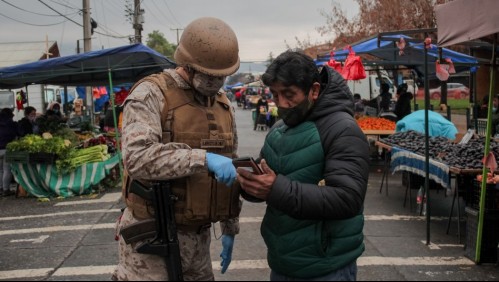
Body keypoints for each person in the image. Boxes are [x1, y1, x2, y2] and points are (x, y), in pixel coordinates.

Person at [113, 17, 242, 281]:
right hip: (152, 238)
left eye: (221, 77)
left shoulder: (222, 104)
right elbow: (136, 158)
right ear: (187, 64)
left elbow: (232, 164)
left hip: (198, 240)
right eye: (208, 75)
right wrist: (202, 158)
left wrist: (230, 225)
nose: (215, 83)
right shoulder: (151, 94)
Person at [236, 51, 370, 281]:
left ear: (314, 90)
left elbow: (347, 198)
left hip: (326, 266)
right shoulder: (279, 129)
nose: (282, 104)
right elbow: (268, 177)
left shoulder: (342, 129)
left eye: (289, 94)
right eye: (276, 95)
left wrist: (274, 188)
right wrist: (248, 183)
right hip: (283, 261)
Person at [0, 108, 19, 197]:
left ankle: (0, 188)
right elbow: (17, 133)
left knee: (0, 170)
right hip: (7, 148)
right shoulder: (11, 124)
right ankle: (6, 189)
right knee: (7, 170)